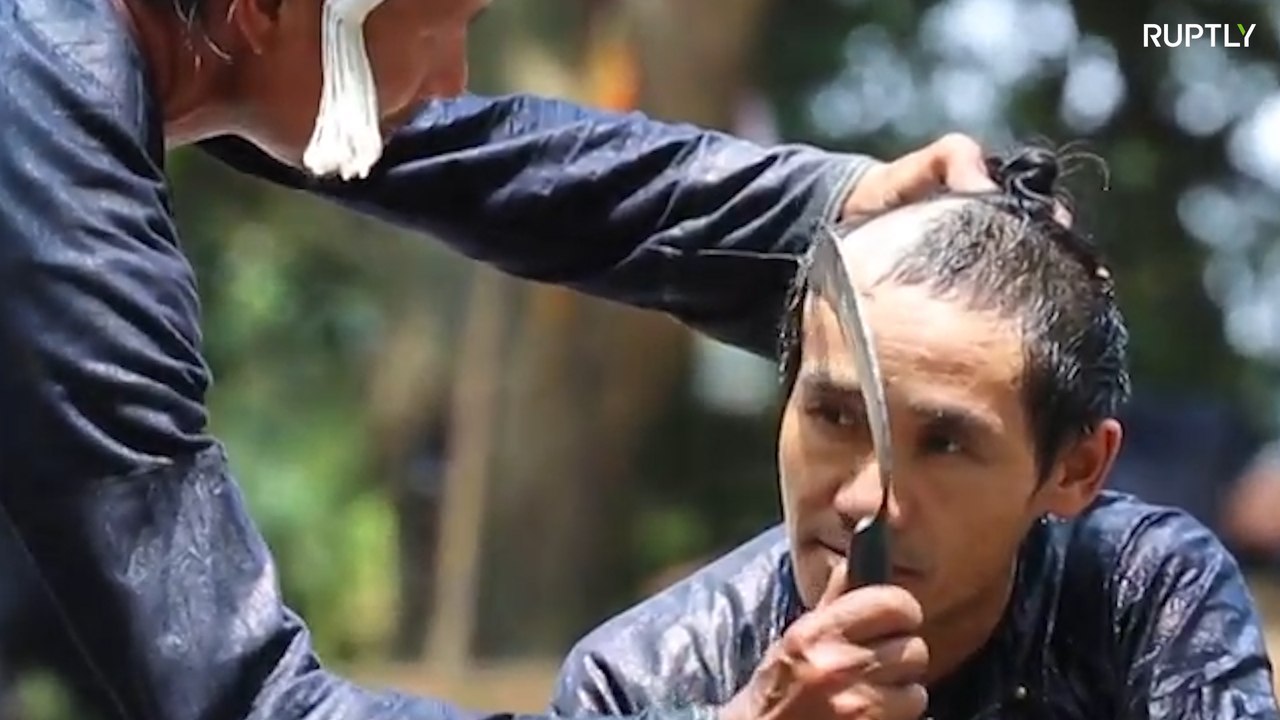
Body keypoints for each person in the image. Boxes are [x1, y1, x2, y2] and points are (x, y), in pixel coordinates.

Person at [0, 0, 1000, 719]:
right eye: (440, 29)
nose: (449, 79)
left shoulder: (135, 43)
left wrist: (823, 207)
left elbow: (484, 158)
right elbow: (243, 698)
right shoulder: (45, 153)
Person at [550, 148, 1279, 720]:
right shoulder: (640, 676)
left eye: (947, 443)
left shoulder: (1141, 591)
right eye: (833, 417)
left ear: (1076, 469)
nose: (867, 499)